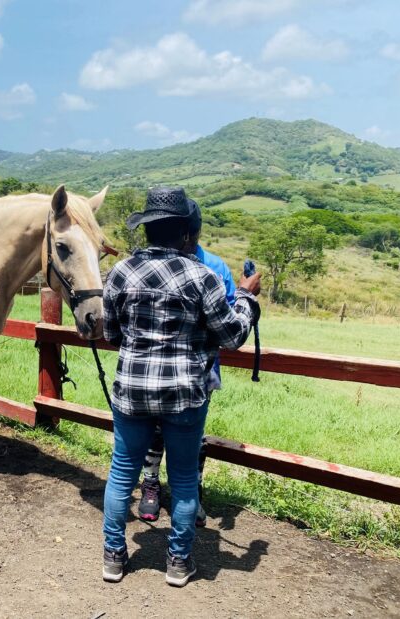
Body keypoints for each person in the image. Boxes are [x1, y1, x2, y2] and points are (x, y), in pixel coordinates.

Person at [101, 186, 261, 587]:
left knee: (122, 473)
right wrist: (246, 298)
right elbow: (231, 336)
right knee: (186, 477)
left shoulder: (120, 273)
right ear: (188, 235)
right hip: (185, 393)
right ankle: (177, 562)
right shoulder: (203, 276)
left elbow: (110, 333)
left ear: (148, 230)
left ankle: (114, 558)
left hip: (132, 390)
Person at [137, 202, 236, 526]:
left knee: (194, 437)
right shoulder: (155, 265)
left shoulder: (216, 268)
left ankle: (192, 493)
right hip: (158, 370)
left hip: (200, 373)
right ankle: (150, 485)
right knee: (154, 431)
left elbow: (229, 318)